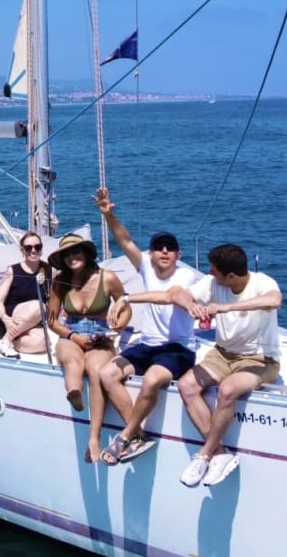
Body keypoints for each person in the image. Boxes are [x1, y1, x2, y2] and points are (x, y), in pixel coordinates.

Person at [126, 244, 282, 487]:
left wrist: (225, 307)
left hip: (260, 359)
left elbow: (274, 300)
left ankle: (203, 455)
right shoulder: (213, 283)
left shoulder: (262, 282)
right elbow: (179, 293)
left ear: (230, 276)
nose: (209, 273)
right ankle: (220, 454)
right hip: (222, 355)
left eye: (213, 270)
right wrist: (191, 305)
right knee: (187, 385)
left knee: (228, 390)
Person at [93, 188, 197, 466]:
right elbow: (124, 240)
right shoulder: (146, 268)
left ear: (178, 254)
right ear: (150, 254)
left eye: (170, 248)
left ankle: (125, 437)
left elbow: (172, 295)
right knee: (107, 374)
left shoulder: (186, 276)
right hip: (147, 344)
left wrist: (126, 298)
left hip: (178, 349)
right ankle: (139, 434)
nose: (165, 251)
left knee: (152, 379)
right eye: (159, 247)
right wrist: (108, 215)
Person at [46, 233, 131, 463]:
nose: (72, 257)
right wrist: (73, 336)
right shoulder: (59, 282)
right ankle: (74, 392)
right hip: (71, 332)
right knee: (72, 361)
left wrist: (118, 327)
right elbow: (52, 321)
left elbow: (125, 307)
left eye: (76, 251)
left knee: (95, 370)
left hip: (100, 335)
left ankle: (94, 439)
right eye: (66, 255)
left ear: (85, 253)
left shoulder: (107, 278)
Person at [0, 231, 51, 358]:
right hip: (8, 320)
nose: (33, 251)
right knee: (40, 306)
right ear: (22, 250)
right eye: (28, 248)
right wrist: (5, 319)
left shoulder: (48, 270)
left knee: (43, 344)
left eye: (37, 247)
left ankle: (1, 343)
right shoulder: (13, 270)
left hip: (33, 322)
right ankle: (6, 340)